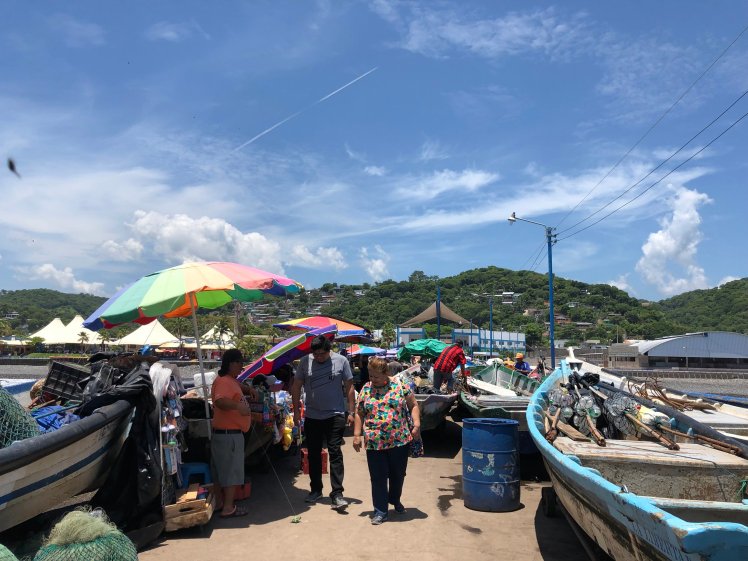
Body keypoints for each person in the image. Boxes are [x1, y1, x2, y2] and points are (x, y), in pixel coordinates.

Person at [353, 357, 421, 525]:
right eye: (370, 375)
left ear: (386, 374)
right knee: (378, 477)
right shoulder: (366, 389)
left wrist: (417, 424)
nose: (372, 379)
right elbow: (359, 413)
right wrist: (356, 435)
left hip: (399, 440)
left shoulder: (399, 386)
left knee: (398, 475)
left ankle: (395, 499)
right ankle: (380, 511)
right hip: (374, 442)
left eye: (376, 376)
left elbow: (413, 405)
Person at [292, 335, 355, 510]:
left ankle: (337, 494)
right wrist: (297, 411)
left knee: (335, 452)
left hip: (335, 415)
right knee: (313, 453)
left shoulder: (341, 361)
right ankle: (316, 489)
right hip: (312, 416)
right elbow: (296, 386)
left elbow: (349, 386)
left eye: (322, 354)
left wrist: (351, 411)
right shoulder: (305, 362)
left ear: (329, 350)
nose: (318, 357)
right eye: (316, 354)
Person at [210, 348, 257, 518]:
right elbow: (221, 400)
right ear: (231, 363)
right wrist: (239, 406)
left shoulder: (229, 380)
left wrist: (248, 389)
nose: (242, 367)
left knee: (224, 471)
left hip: (227, 434)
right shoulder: (224, 382)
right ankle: (228, 508)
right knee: (231, 472)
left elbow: (236, 386)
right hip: (228, 435)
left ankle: (222, 503)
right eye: (240, 363)